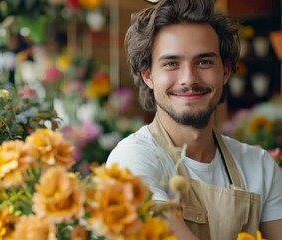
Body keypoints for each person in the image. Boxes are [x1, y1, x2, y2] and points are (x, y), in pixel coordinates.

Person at [106, 0, 282, 239]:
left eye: (204, 62)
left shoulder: (260, 166)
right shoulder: (131, 161)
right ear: (148, 76)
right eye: (171, 63)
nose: (189, 78)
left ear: (226, 71)